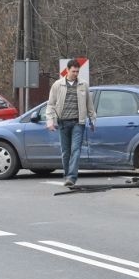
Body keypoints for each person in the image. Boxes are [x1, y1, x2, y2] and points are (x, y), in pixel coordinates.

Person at [46, 59, 96, 187]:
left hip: (78, 123)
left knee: (76, 150)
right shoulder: (58, 85)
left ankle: (72, 177)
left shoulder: (83, 85)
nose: (75, 73)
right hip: (63, 122)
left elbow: (89, 104)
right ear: (67, 70)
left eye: (77, 71)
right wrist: (50, 121)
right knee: (65, 151)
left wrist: (92, 120)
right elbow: (50, 105)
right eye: (73, 71)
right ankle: (68, 174)